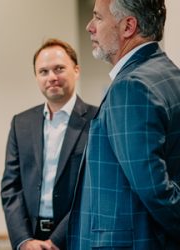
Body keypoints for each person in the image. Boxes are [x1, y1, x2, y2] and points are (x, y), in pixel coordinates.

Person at [67, 0, 180, 249]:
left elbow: (155, 190)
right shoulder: (169, 75)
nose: (89, 27)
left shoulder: (132, 87)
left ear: (128, 26)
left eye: (98, 17)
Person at [1, 38, 98, 250]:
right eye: (43, 71)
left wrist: (57, 240)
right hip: (32, 237)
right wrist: (23, 241)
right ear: (36, 77)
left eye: (59, 69)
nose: (51, 77)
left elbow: (94, 188)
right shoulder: (21, 123)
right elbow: (11, 187)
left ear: (76, 70)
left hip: (77, 236)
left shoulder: (97, 120)